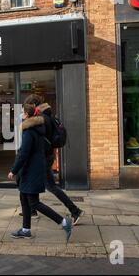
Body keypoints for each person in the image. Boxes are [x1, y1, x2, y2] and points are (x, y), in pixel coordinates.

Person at [8, 104, 72, 241]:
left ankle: (63, 222)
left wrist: (13, 170)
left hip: (31, 171)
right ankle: (25, 230)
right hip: (32, 169)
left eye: (22, 113)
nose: (20, 115)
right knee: (24, 199)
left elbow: (24, 154)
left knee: (34, 202)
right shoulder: (36, 128)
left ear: (27, 114)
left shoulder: (29, 131)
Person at [22, 94, 84, 225]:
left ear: (33, 105)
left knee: (51, 186)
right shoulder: (48, 115)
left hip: (43, 157)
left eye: (28, 106)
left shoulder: (43, 118)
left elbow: (41, 140)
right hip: (47, 155)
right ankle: (32, 209)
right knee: (35, 182)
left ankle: (75, 211)